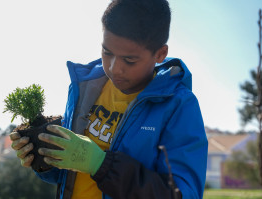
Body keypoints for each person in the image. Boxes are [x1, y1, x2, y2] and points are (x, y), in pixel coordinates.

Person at [10, 0, 208, 198]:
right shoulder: (84, 87)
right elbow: (69, 175)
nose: (114, 68)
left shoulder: (179, 106)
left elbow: (182, 194)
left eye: (129, 60)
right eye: (107, 52)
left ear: (160, 53)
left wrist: (101, 165)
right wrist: (45, 159)